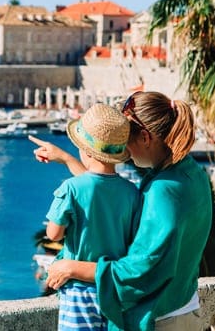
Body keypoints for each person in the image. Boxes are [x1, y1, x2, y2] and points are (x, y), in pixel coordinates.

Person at [29, 91, 212, 331]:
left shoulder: (162, 191)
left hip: (161, 319)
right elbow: (105, 190)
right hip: (184, 305)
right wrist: (66, 159)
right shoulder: (191, 174)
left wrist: (71, 267)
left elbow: (140, 270)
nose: (123, 150)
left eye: (127, 139)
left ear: (145, 137)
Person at [41, 103, 141, 330]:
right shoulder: (132, 192)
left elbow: (54, 234)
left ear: (85, 150)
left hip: (78, 290)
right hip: (112, 289)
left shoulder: (71, 188)